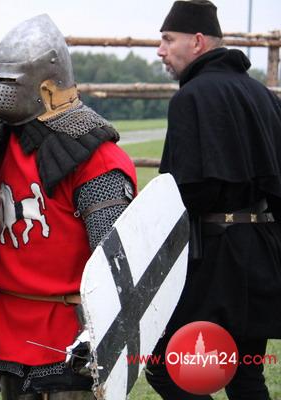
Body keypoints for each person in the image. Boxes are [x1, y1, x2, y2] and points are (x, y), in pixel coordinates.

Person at [0, 14, 137, 399]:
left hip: (70, 339)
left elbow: (117, 265)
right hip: (6, 330)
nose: (0, 95)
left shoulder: (97, 160)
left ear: (45, 88)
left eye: (11, 83)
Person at [146, 1, 281, 399]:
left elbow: (189, 192)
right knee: (246, 374)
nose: (161, 50)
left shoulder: (190, 98)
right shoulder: (263, 95)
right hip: (263, 253)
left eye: (168, 40)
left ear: (197, 41)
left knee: (168, 369)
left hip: (214, 261)